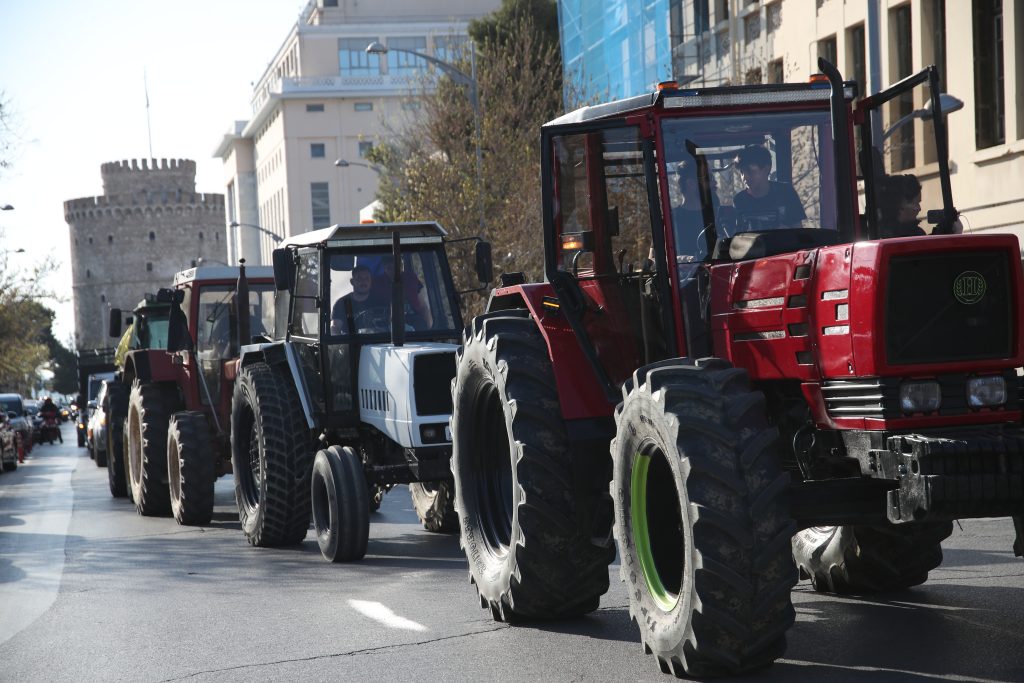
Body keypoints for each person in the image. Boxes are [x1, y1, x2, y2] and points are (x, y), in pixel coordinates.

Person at [732, 144, 806, 230]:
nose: (744, 177)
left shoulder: (786, 192)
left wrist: (785, 231)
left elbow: (799, 231)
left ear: (766, 169)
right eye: (741, 172)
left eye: (749, 171)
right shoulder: (739, 200)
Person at [374, 256, 433, 329]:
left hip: (414, 321)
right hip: (388, 326)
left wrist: (429, 330)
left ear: (401, 266)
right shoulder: (378, 284)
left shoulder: (411, 278)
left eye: (396, 267)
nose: (394, 271)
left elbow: (423, 306)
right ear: (384, 268)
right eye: (389, 268)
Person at [330, 265, 381, 333]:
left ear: (371, 281)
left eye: (367, 279)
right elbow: (335, 327)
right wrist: (339, 342)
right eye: (359, 279)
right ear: (352, 282)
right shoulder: (342, 303)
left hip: (379, 342)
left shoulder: (380, 301)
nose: (363, 282)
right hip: (351, 342)